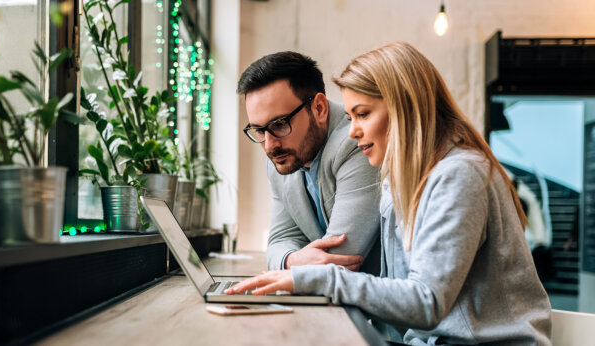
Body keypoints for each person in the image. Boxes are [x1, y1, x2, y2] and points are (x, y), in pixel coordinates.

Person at [227, 42, 552, 345]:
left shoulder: (460, 174)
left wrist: (308, 278)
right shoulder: (402, 181)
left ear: (405, 109)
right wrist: (298, 269)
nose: (353, 131)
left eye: (363, 114)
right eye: (352, 116)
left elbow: (427, 302)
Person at [237, 52, 381, 273]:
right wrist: (291, 260)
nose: (269, 146)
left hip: (375, 301)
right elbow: (280, 240)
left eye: (280, 124)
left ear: (319, 109)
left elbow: (340, 259)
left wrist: (291, 263)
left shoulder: (359, 142)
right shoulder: (284, 156)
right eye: (259, 130)